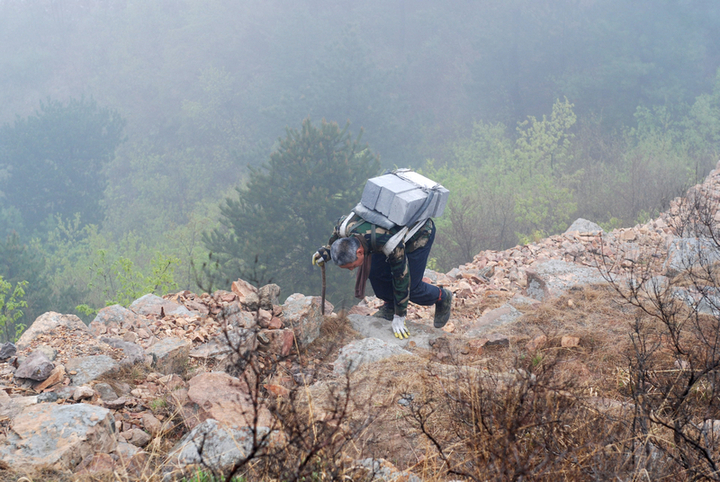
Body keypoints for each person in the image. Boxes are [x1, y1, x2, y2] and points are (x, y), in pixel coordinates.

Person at [312, 213, 452, 339]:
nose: (351, 270)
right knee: (375, 274)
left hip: (418, 234)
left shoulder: (389, 244)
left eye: (352, 266)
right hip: (389, 234)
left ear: (360, 252)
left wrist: (400, 316)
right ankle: (390, 305)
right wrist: (327, 252)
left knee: (412, 288)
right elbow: (336, 239)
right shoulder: (344, 226)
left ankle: (442, 296)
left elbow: (401, 278)